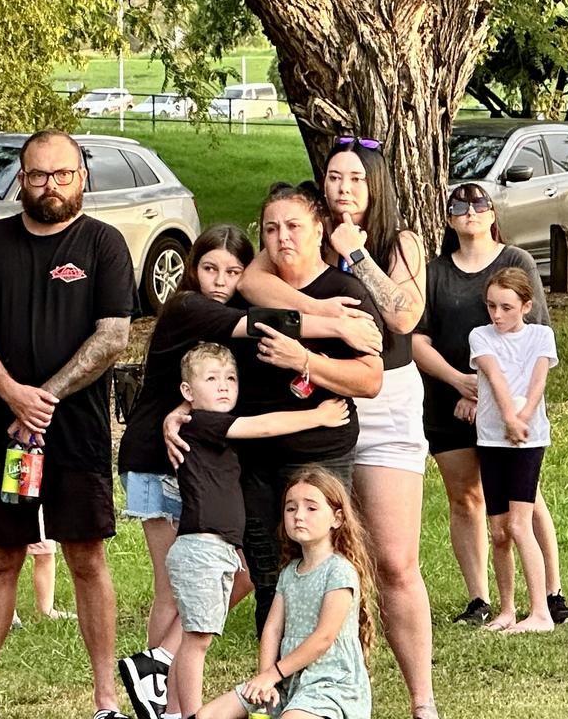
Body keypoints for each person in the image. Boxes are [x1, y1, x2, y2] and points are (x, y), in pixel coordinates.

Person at [118, 226, 377, 719]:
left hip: (195, 456)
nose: (220, 280)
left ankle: (160, 665)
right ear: (192, 269)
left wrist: (184, 412)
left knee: (227, 577)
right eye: (209, 268)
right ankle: (163, 685)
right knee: (174, 590)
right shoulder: (189, 307)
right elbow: (261, 324)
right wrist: (339, 324)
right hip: (160, 460)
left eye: (234, 271)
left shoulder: (222, 316)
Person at [0, 129, 135, 719]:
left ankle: (104, 701)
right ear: (20, 179)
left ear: (82, 177)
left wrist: (42, 398)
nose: (50, 186)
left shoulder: (104, 244)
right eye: (38, 175)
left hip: (75, 434)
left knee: (86, 557)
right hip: (7, 434)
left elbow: (115, 336)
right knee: (2, 556)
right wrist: (12, 395)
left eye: (63, 174)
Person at [238, 138, 435, 718]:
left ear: (376, 186)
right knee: (315, 557)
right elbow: (252, 286)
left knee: (395, 563)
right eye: (333, 177)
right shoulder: (298, 233)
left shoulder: (402, 242)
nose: (344, 188)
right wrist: (330, 319)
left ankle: (422, 701)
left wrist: (357, 255)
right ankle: (328, 683)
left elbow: (401, 315)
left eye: (355, 178)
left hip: (388, 398)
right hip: (321, 402)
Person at [169, 182, 383, 640]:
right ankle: (273, 692)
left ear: (319, 229)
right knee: (268, 578)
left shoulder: (345, 294)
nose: (282, 237)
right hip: (253, 460)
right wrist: (180, 409)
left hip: (319, 454)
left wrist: (304, 360)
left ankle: (328, 687)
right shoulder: (250, 294)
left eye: (293, 226)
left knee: (323, 571)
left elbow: (370, 380)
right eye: (271, 229)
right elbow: (209, 366)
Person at [413, 182, 568, 627]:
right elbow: (417, 339)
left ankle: (550, 594)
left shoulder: (515, 261)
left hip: (511, 405)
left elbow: (533, 342)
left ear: (492, 213)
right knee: (465, 498)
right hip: (449, 397)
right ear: (447, 218)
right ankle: (481, 599)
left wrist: (490, 395)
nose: (469, 212)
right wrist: (460, 383)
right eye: (458, 207)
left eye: (479, 204)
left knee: (526, 499)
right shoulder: (433, 271)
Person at [165, 342, 350, 718]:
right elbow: (262, 426)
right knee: (197, 640)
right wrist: (318, 416)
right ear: (187, 392)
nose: (223, 386)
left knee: (201, 632)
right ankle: (188, 713)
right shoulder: (202, 422)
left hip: (218, 546)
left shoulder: (204, 422)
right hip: (201, 545)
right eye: (212, 378)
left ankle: (176, 710)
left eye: (230, 378)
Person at [196, 468, 374, 719]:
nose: (299, 515)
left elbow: (324, 637)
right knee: (208, 715)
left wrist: (273, 674)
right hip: (286, 680)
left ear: (337, 518)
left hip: (328, 684)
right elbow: (272, 630)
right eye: (291, 508)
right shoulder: (289, 572)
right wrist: (265, 680)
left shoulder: (339, 571)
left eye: (311, 508)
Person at [470, 267, 559, 634]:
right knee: (498, 531)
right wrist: (508, 417)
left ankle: (541, 612)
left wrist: (521, 419)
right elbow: (494, 377)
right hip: (492, 438)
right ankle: (506, 609)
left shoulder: (541, 336)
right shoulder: (480, 336)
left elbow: (537, 381)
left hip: (527, 440)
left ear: (526, 305)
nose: (497, 315)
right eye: (491, 306)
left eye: (506, 307)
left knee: (520, 524)